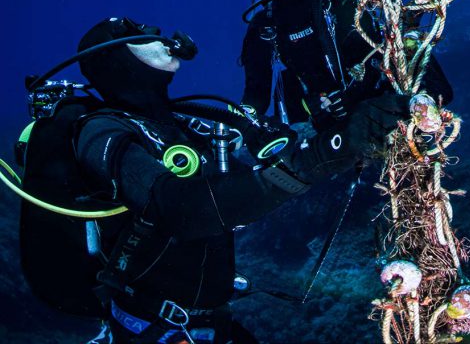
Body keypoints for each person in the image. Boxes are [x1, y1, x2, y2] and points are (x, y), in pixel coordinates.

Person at [17, 17, 405, 344]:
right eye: (142, 33)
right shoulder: (98, 131)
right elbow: (181, 209)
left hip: (212, 322)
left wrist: (344, 133)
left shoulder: (181, 123)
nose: (159, 34)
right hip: (153, 328)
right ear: (118, 57)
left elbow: (243, 191)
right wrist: (322, 155)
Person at [241, 0, 453, 129]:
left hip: (377, 93)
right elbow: (256, 92)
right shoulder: (266, 25)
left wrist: (354, 94)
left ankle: (426, 106)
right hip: (330, 120)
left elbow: (373, 46)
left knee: (410, 48)